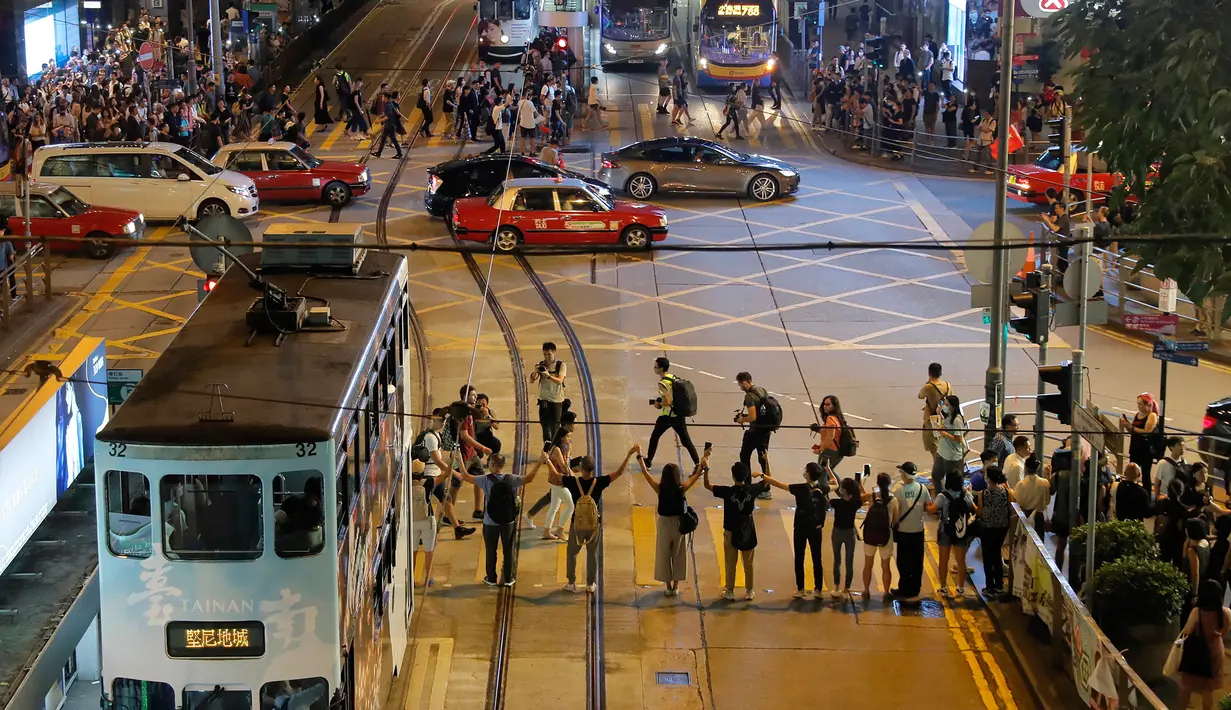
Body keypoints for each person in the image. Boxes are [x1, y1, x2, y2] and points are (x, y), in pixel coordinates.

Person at [553, 446, 636, 594]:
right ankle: (590, 584)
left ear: (581, 468)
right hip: (593, 525)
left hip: (576, 523)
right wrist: (629, 454)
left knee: (572, 552)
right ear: (593, 469)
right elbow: (619, 473)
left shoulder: (572, 482)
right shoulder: (599, 482)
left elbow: (556, 476)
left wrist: (547, 461)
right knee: (592, 554)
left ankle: (571, 583)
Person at [455, 453, 542, 587]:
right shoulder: (511, 479)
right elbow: (529, 478)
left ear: (494, 465)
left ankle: (491, 578)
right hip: (508, 520)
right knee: (508, 550)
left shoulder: (485, 480)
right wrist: (540, 462)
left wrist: (459, 459)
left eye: (489, 463)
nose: (488, 464)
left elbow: (466, 476)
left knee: (491, 550)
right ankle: (508, 578)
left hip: (490, 521)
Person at [636, 445, 709, 596]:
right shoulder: (681, 488)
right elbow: (695, 476)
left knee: (663, 553)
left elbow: (645, 473)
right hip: (678, 523)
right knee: (678, 553)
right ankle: (676, 586)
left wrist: (639, 455)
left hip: (664, 523)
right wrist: (704, 459)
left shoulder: (659, 488)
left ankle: (667, 586)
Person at [762, 460, 830, 598]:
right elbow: (836, 485)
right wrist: (829, 471)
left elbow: (779, 484)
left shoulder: (800, 488)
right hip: (816, 528)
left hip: (800, 527)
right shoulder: (823, 488)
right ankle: (818, 590)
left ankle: (801, 589)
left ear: (808, 475)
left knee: (800, 558)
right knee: (817, 558)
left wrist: (763, 475)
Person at [705, 461, 769, 601]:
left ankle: (730, 590)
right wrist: (765, 463)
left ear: (733, 476)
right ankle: (749, 591)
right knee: (748, 563)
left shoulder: (727, 492)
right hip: (748, 531)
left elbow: (707, 485)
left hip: (730, 530)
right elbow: (767, 481)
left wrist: (706, 468)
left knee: (730, 562)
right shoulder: (752, 490)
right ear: (746, 476)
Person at [1177, 579, 1229, 710]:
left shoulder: (1197, 612)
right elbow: (1224, 631)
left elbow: (1187, 631)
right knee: (1208, 688)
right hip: (1216, 650)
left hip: (1197, 651)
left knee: (1186, 687)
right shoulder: (1226, 612)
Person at [644, 357, 699, 470]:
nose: (654, 368)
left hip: (668, 416)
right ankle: (698, 465)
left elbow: (667, 401)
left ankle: (648, 462)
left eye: (656, 366)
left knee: (654, 437)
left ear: (661, 368)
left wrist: (658, 404)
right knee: (686, 441)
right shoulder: (673, 378)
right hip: (678, 414)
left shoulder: (663, 383)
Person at [929, 470, 974, 597]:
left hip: (945, 531)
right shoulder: (966, 495)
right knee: (961, 560)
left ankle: (943, 587)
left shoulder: (942, 496)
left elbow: (932, 509)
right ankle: (960, 587)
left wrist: (927, 506)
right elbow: (975, 509)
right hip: (961, 531)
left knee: (943, 560)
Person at [891, 462, 929, 601]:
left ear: (905, 475)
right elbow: (928, 506)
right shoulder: (922, 488)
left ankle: (904, 589)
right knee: (917, 561)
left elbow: (895, 511)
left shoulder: (899, 491)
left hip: (904, 531)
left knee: (903, 562)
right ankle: (915, 589)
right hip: (918, 531)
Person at [734, 372, 773, 499]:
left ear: (745, 382)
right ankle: (767, 488)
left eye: (740, 385)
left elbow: (753, 416)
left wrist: (742, 420)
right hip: (765, 431)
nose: (740, 388)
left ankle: (747, 487)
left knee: (744, 456)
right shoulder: (761, 390)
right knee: (763, 458)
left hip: (754, 432)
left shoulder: (749, 396)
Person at [976, 466, 1013, 596]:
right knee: (997, 554)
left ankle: (989, 586)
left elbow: (980, 513)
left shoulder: (983, 494)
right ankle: (999, 585)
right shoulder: (1007, 492)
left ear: (988, 478)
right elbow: (1011, 508)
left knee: (987, 557)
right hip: (1002, 528)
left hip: (987, 528)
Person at [861, 472, 897, 597]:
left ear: (877, 483)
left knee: (868, 565)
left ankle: (866, 590)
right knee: (885, 566)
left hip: (870, 534)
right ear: (889, 483)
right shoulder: (893, 500)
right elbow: (895, 521)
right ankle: (886, 591)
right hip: (886, 535)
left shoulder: (873, 497)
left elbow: (862, 497)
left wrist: (861, 481)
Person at [828, 477, 864, 598]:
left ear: (844, 490)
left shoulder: (836, 503)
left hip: (837, 532)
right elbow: (863, 496)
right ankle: (846, 588)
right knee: (849, 561)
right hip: (850, 533)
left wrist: (830, 485)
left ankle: (837, 586)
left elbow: (825, 499)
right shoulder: (856, 503)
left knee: (837, 560)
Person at [529, 341, 567, 446]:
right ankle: (547, 449)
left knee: (555, 426)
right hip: (544, 399)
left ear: (554, 352)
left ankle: (556, 448)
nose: (547, 356)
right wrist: (535, 371)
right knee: (545, 426)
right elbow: (532, 380)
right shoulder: (542, 364)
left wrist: (548, 375)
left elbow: (560, 380)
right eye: (544, 354)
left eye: (549, 354)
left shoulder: (561, 365)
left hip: (557, 399)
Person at [1121, 393, 1160, 492]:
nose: (1139, 407)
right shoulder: (1137, 415)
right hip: (1135, 447)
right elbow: (1132, 431)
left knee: (1145, 474)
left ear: (1148, 405)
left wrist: (1133, 428)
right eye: (1138, 404)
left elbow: (1147, 431)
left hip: (1145, 449)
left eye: (1141, 404)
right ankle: (1131, 492)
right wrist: (1127, 425)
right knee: (1132, 472)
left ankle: (1146, 494)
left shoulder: (1152, 415)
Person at [918, 362, 951, 462]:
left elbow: (920, 395)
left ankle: (938, 473)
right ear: (940, 373)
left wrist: (929, 381)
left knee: (934, 448)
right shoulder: (947, 385)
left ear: (929, 373)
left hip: (932, 420)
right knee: (943, 445)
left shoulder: (929, 386)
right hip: (944, 419)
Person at [933, 394, 968, 483]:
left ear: (952, 406)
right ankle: (939, 494)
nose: (944, 406)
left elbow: (958, 438)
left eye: (946, 405)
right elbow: (946, 425)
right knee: (936, 475)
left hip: (951, 456)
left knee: (953, 480)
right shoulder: (948, 416)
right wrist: (939, 413)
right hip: (941, 451)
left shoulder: (957, 420)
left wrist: (944, 433)